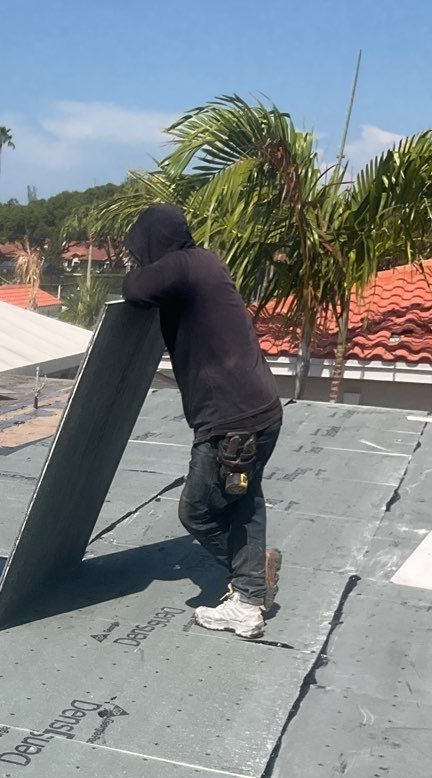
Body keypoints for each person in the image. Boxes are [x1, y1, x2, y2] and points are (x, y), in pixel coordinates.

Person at [122, 203, 282, 639]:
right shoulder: (206, 262)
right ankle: (251, 585)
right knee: (245, 503)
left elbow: (135, 290)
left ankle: (249, 588)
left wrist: (137, 269)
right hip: (261, 409)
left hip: (231, 422)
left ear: (154, 242)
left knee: (196, 511)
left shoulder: (181, 268)